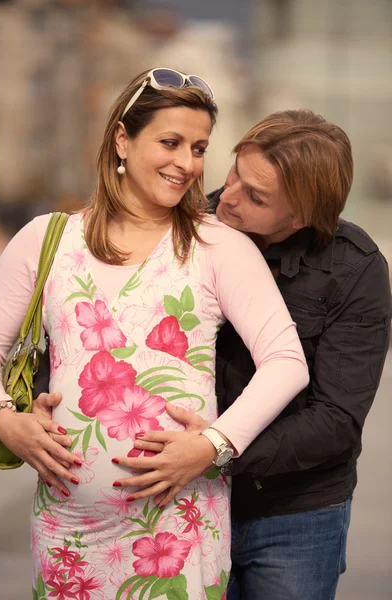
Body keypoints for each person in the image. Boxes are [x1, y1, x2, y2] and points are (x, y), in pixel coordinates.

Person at [0, 70, 309, 598]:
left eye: (200, 147)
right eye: (171, 142)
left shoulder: (219, 247)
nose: (187, 163)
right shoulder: (46, 240)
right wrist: (4, 419)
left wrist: (213, 445)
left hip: (181, 527)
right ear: (122, 138)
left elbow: (286, 360)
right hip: (69, 536)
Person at [116, 109, 392, 599]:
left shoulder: (357, 270)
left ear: (301, 216)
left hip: (295, 514)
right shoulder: (186, 223)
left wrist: (214, 452)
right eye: (235, 172)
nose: (229, 198)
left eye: (257, 197)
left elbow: (336, 420)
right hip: (179, 496)